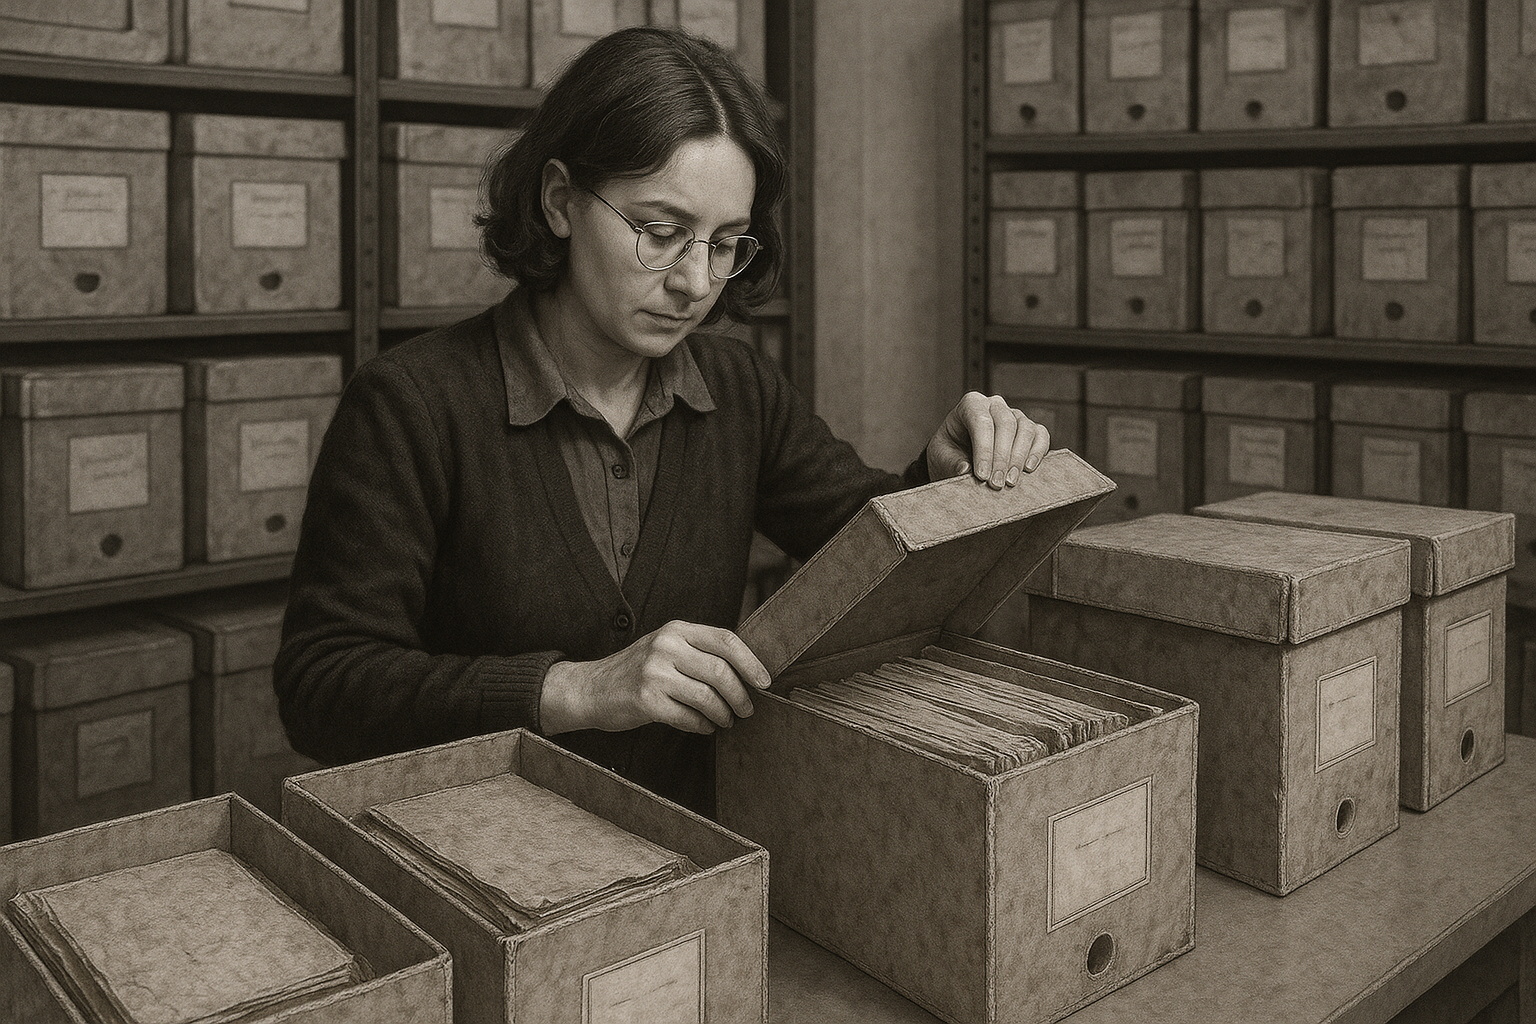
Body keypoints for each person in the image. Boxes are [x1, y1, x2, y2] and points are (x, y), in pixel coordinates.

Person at [274, 25, 1049, 816]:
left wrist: (943, 478)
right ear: (559, 200)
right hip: (479, 856)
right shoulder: (410, 405)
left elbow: (867, 550)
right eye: (661, 231)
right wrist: (574, 689)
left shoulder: (739, 389)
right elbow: (322, 687)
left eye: (725, 243)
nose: (694, 282)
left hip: (691, 856)